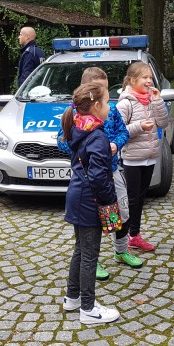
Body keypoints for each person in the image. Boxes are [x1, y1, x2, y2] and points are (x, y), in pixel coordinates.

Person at [57, 67, 137, 280]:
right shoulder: (73, 116)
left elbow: (123, 133)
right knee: (94, 220)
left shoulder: (111, 110)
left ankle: (121, 250)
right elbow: (62, 142)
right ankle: (95, 259)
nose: (107, 97)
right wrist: (89, 150)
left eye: (107, 89)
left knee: (123, 212)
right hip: (91, 178)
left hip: (112, 170)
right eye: (102, 90)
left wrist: (114, 145)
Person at [61, 81, 121, 325]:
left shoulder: (78, 126)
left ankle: (72, 297)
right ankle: (88, 308)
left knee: (80, 249)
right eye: (107, 102)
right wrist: (109, 200)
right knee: (89, 255)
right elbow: (98, 176)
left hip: (77, 196)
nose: (110, 106)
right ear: (96, 106)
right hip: (89, 200)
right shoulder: (97, 136)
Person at [115, 62, 170, 253]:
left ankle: (134, 235)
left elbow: (163, 122)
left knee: (140, 198)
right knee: (131, 199)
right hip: (132, 158)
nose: (149, 81)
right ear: (132, 80)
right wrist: (139, 126)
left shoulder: (152, 99)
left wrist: (157, 100)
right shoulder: (125, 103)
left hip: (149, 156)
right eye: (144, 77)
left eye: (150, 77)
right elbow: (118, 132)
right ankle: (124, 238)